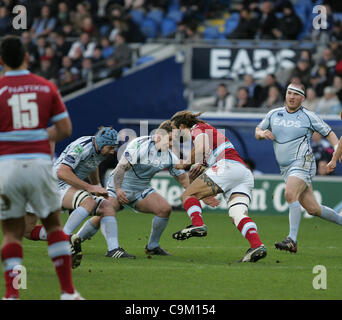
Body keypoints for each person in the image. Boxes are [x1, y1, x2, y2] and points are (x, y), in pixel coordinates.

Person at [0, 35, 83, 300]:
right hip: (38, 164)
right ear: (27, 57)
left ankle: (12, 295)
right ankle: (68, 293)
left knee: (12, 233)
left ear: (1, 61)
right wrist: (37, 136)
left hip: (7, 167)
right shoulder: (45, 87)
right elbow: (65, 129)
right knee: (54, 226)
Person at [25, 126, 135, 268]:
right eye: (111, 147)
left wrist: (97, 185)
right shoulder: (82, 147)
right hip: (52, 186)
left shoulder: (99, 150)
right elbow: (62, 172)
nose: (113, 151)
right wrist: (89, 187)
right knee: (27, 231)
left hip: (65, 187)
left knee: (106, 207)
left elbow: (92, 164)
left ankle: (113, 249)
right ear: (101, 144)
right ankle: (64, 240)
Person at [76, 121, 190, 256]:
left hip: (141, 191)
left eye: (174, 141)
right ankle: (75, 240)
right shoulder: (141, 145)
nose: (171, 144)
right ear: (159, 136)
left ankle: (152, 246)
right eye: (170, 139)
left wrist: (195, 192)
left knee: (164, 209)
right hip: (118, 187)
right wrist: (118, 190)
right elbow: (121, 167)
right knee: (105, 212)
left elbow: (182, 178)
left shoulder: (170, 156)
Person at [255, 83, 342, 253]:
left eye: (296, 94)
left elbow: (329, 133)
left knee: (289, 193)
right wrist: (261, 134)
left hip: (303, 163)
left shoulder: (309, 116)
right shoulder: (274, 114)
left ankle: (292, 240)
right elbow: (258, 129)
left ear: (302, 98)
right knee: (313, 209)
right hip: (286, 168)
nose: (292, 97)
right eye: (289, 93)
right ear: (285, 94)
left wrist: (336, 155)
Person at [170, 111, 267, 263]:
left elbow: (201, 148)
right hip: (243, 173)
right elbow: (206, 157)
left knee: (187, 196)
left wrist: (184, 163)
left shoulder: (197, 128)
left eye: (173, 129)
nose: (173, 134)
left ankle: (197, 224)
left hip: (227, 166)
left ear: (182, 127)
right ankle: (256, 245)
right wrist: (202, 176)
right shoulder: (208, 131)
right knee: (237, 214)